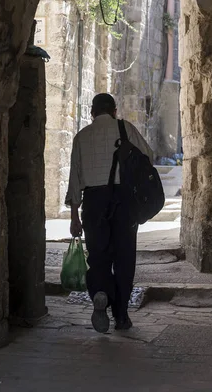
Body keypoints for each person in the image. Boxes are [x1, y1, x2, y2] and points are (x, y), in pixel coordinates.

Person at [65, 93, 153, 333]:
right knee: (124, 258)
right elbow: (148, 156)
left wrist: (74, 216)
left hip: (94, 203)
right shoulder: (126, 129)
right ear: (114, 110)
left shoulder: (81, 137)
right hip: (123, 201)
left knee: (98, 256)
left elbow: (75, 179)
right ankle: (122, 315)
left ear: (92, 113)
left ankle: (101, 292)